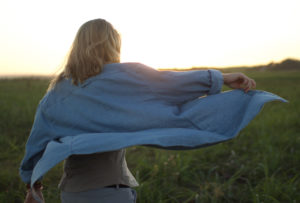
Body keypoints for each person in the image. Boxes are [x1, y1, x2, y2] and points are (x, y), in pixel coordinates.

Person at [21, 18, 262, 203]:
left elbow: (36, 145)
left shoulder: (55, 94)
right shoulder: (125, 76)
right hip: (111, 193)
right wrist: (221, 78)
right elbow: (170, 82)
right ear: (112, 46)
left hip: (71, 193)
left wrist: (33, 186)